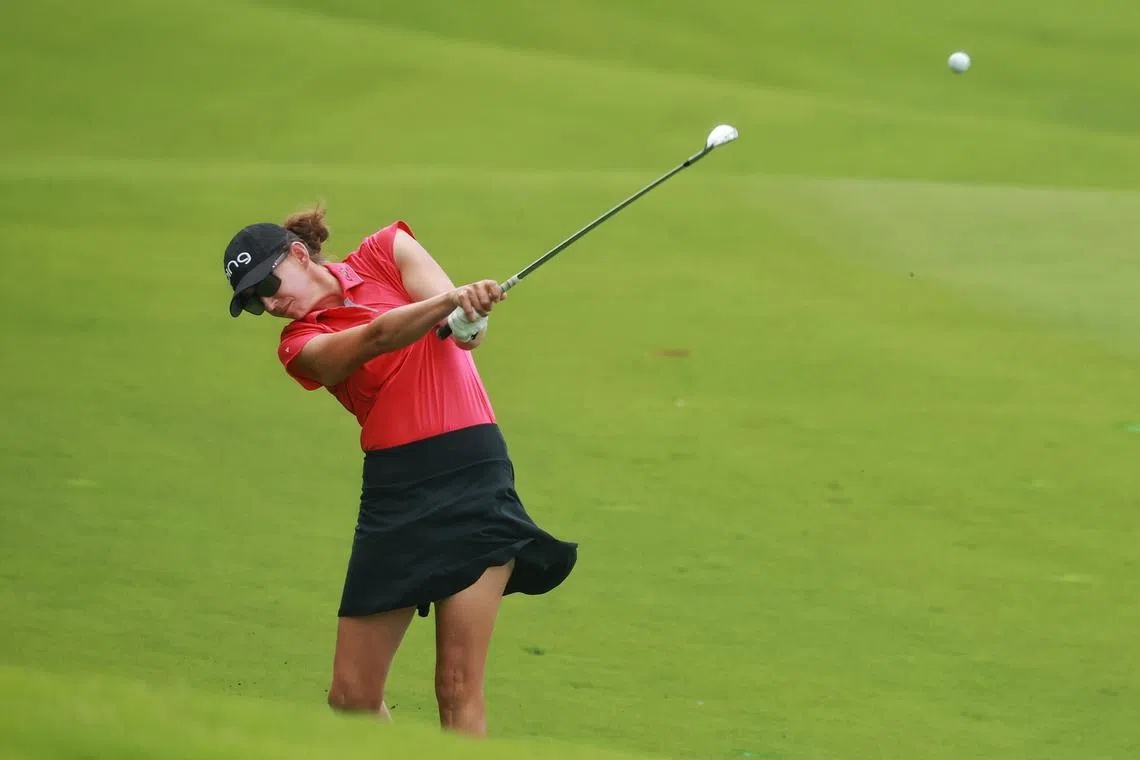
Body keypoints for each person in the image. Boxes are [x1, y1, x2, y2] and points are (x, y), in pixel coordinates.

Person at [221, 207, 577, 737]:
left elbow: (466, 336)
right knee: (352, 698)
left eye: (267, 284)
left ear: (298, 253)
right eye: (254, 302)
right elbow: (376, 338)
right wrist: (451, 302)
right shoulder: (298, 346)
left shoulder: (388, 250)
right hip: (395, 491)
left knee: (456, 690)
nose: (269, 303)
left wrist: (468, 314)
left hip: (472, 475)